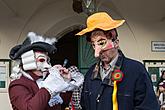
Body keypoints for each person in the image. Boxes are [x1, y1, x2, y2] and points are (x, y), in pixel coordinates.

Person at [76, 12, 160, 110]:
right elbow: (84, 105)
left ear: (116, 43)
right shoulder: (90, 73)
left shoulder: (136, 70)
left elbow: (148, 107)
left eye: (101, 43)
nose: (96, 53)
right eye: (93, 45)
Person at [8, 32, 84, 110]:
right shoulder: (18, 85)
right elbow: (31, 108)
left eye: (47, 61)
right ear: (29, 61)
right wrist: (48, 87)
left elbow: (65, 101)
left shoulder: (47, 78)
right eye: (41, 60)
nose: (48, 66)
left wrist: (65, 81)